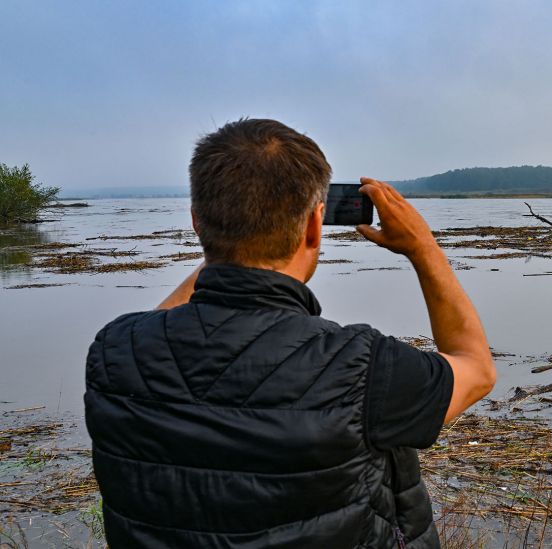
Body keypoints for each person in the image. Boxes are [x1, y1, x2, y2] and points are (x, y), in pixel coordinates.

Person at [84, 118, 496, 548]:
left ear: (196, 223)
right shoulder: (362, 365)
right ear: (315, 226)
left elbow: (161, 325)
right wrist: (423, 247)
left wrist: (226, 246)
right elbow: (476, 368)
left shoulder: (116, 351)